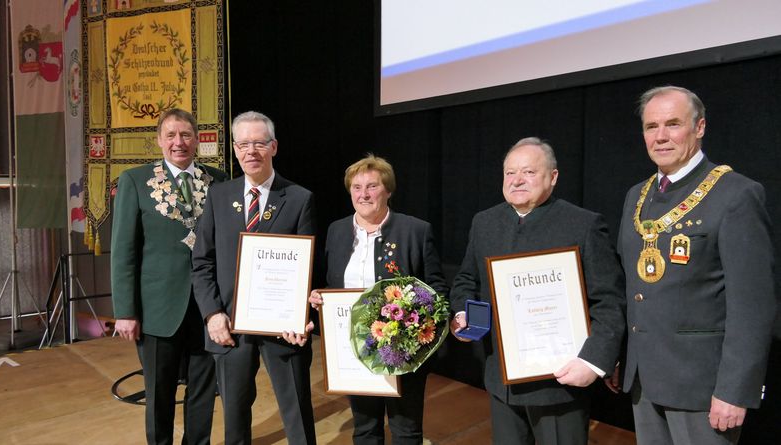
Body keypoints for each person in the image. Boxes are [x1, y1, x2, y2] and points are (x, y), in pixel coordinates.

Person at [612, 86, 776, 444]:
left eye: (673, 124)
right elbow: (634, 289)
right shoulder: (635, 196)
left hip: (702, 388)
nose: (661, 136)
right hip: (644, 380)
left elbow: (753, 306)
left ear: (699, 127)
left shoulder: (735, 194)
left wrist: (735, 389)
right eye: (651, 126)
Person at [449, 137, 625, 444]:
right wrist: (464, 313)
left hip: (559, 385)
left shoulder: (583, 225)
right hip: (501, 381)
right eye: (510, 173)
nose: (517, 180)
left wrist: (593, 362)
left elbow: (609, 301)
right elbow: (466, 279)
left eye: (528, 172)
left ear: (553, 177)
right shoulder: (485, 222)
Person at [191, 111, 317, 445]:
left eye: (259, 143)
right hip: (230, 327)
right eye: (244, 144)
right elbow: (201, 262)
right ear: (234, 149)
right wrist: (212, 314)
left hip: (283, 329)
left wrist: (302, 316)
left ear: (273, 147)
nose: (251, 151)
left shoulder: (300, 198)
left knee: (298, 415)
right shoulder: (218, 196)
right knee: (234, 418)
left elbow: (307, 269)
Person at [307, 154, 448, 445]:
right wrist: (320, 297)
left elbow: (437, 288)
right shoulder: (336, 231)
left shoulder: (416, 231)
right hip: (354, 349)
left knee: (406, 430)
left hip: (403, 352)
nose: (363, 194)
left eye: (372, 186)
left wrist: (416, 325)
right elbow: (331, 285)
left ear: (388, 190)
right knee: (365, 428)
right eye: (356, 187)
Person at [111, 108, 227, 445]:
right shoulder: (135, 181)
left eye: (186, 135)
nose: (179, 142)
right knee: (159, 394)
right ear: (160, 140)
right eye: (172, 135)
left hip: (209, 309)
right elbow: (123, 252)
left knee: (203, 392)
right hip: (158, 311)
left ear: (197, 139)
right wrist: (125, 311)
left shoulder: (218, 181)